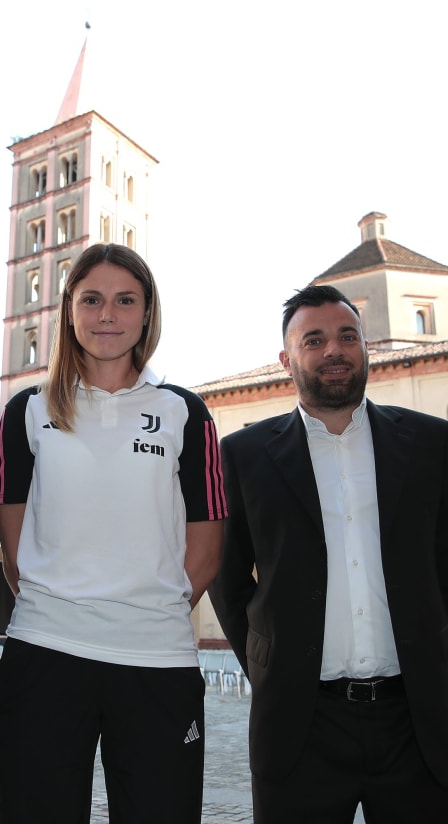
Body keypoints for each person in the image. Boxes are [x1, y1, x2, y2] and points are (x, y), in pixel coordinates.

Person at [0, 243, 227, 823]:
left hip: (158, 664)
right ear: (68, 310)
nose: (107, 315)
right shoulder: (27, 410)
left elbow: (207, 550)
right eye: (91, 299)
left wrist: (143, 609)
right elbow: (14, 551)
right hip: (44, 656)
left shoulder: (185, 414)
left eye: (125, 301)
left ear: (147, 313)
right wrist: (71, 607)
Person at [209, 283, 448, 822]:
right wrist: (271, 664)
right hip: (299, 726)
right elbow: (225, 579)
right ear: (286, 359)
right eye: (313, 340)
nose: (333, 350)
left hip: (418, 723)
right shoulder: (243, 456)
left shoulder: (433, 445)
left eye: (347, 336)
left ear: (365, 348)